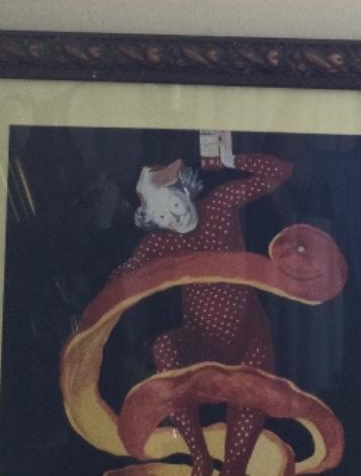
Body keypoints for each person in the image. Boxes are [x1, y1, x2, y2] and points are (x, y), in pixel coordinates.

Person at [112, 133, 293, 476]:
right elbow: (123, 276)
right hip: (200, 345)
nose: (173, 218)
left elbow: (280, 172)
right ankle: (199, 458)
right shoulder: (162, 242)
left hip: (249, 341)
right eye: (161, 215)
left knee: (236, 463)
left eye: (172, 204)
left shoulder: (220, 204)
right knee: (165, 347)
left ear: (184, 189)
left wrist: (230, 159)